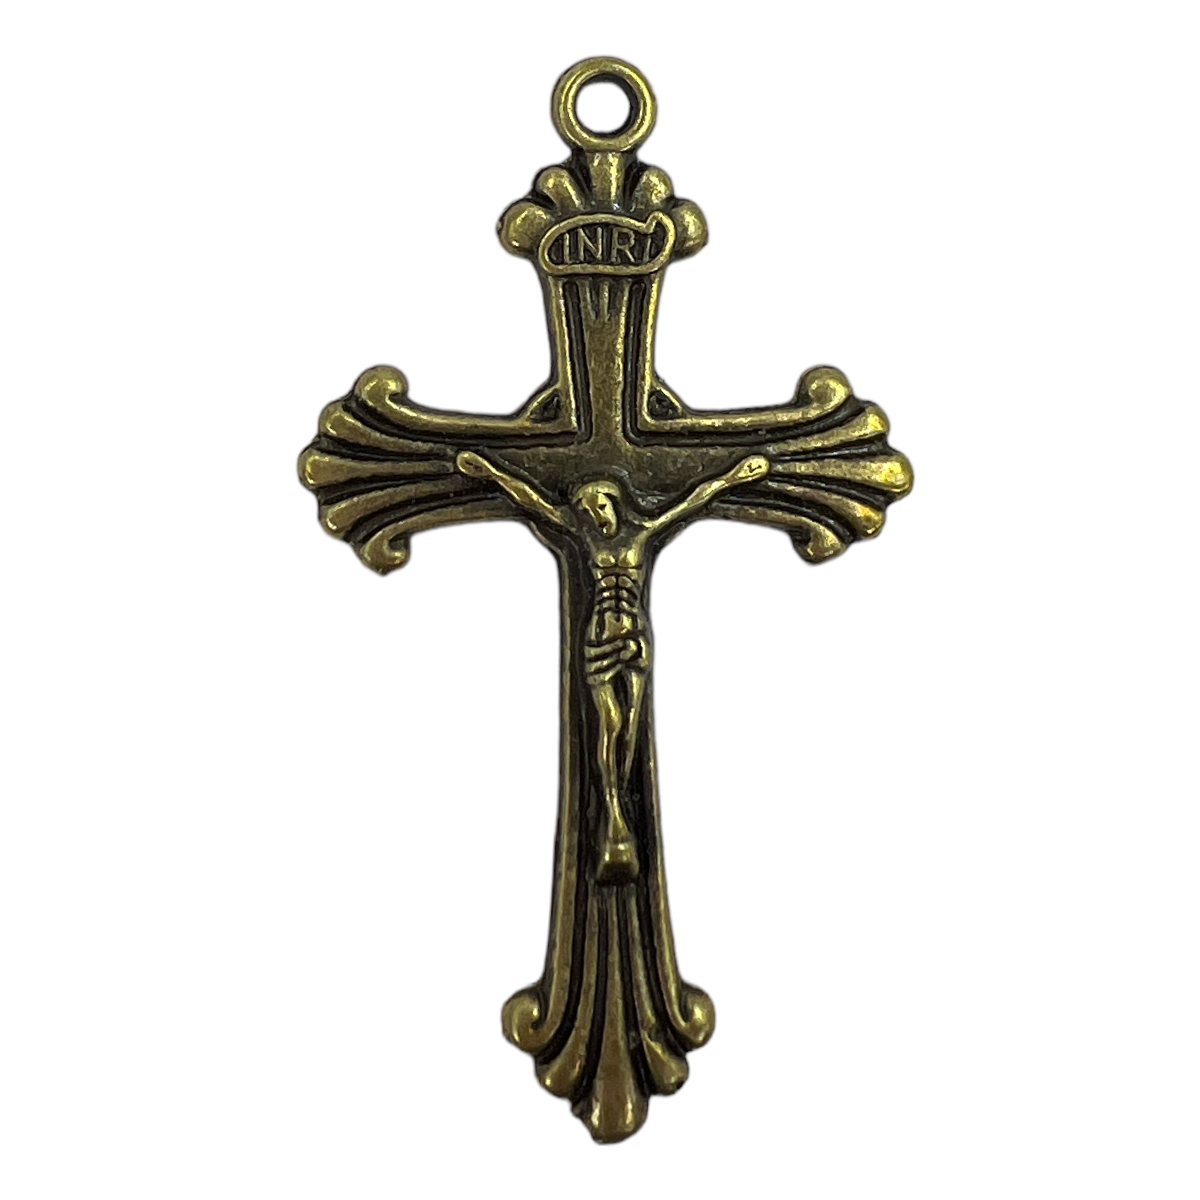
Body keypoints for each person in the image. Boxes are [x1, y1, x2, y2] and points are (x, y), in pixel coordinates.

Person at [457, 450, 769, 883]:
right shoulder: (584, 538)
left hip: (636, 640)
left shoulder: (642, 532)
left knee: (632, 728)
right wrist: (490, 471)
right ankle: (613, 812)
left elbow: (694, 499)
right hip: (600, 638)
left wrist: (735, 477)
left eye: (599, 506)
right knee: (610, 723)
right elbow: (533, 501)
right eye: (587, 510)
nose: (595, 515)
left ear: (613, 502)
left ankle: (620, 804)